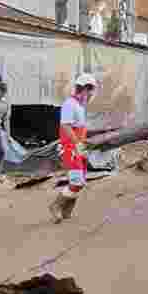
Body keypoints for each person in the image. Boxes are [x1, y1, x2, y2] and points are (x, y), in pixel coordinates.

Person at [50, 74, 97, 222]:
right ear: (83, 89)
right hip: (70, 147)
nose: (91, 95)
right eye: (90, 91)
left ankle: (66, 208)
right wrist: (77, 143)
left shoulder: (79, 106)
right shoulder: (70, 104)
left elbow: (80, 128)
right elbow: (65, 125)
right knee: (76, 181)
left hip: (79, 147)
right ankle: (56, 205)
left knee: (80, 181)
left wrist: (82, 144)